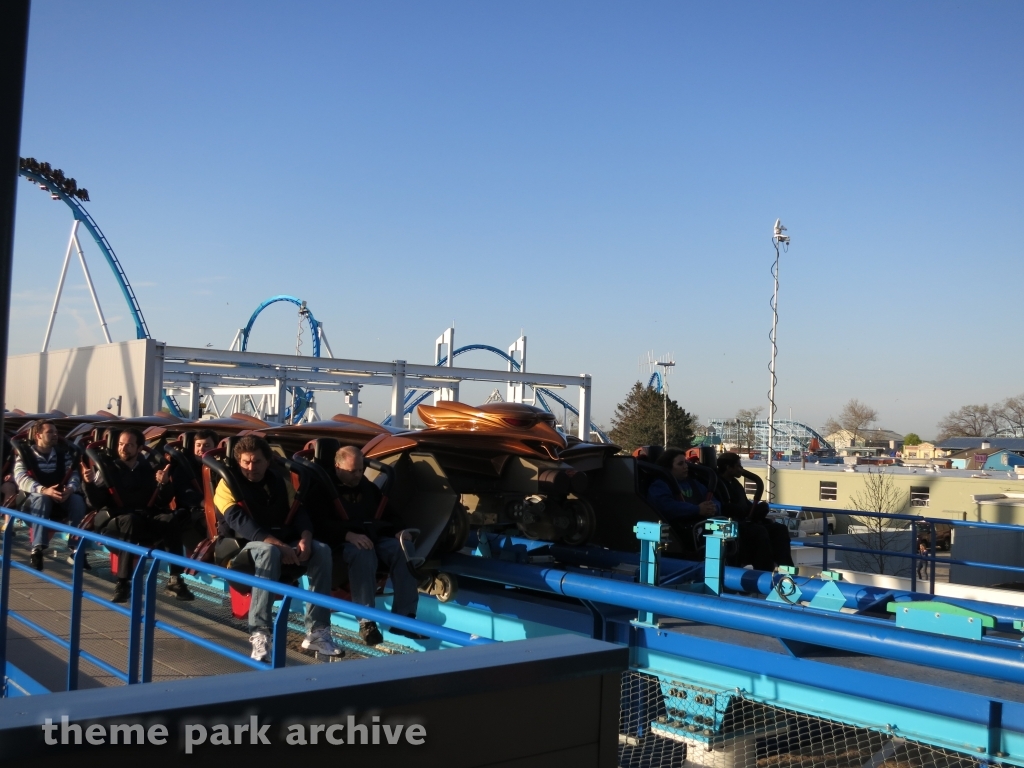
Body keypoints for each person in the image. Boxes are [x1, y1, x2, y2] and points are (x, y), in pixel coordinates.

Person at [213, 435, 340, 661]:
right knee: (267, 550)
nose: (251, 468)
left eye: (257, 462)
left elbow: (298, 512)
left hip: (279, 545)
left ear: (268, 461)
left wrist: (305, 538)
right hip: (240, 550)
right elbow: (242, 524)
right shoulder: (227, 483)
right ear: (238, 461)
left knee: (322, 549)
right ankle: (260, 632)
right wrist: (281, 546)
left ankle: (317, 631)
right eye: (246, 462)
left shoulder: (279, 482)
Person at [311, 445, 424, 646]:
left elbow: (388, 513)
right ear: (338, 467)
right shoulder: (323, 488)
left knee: (403, 549)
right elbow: (318, 524)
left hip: (372, 536)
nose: (357, 475)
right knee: (364, 551)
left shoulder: (366, 487)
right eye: (352, 471)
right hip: (340, 543)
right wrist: (347, 535)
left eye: (360, 470)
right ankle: (366, 621)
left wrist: (399, 530)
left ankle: (405, 617)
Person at [82, 428, 195, 603]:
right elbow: (95, 503)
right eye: (120, 444)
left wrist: (164, 484)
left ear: (139, 448)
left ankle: (175, 579)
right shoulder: (107, 470)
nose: (123, 448)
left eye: (129, 445)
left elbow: (161, 501)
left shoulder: (148, 470)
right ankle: (123, 582)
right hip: (114, 522)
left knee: (169, 519)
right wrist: (89, 484)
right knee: (130, 520)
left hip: (143, 518)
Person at [13, 419, 87, 571]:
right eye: (50, 432)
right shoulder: (25, 455)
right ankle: (37, 548)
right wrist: (43, 490)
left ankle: (76, 548)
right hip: (33, 499)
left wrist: (70, 489)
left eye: (56, 432)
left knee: (77, 500)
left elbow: (73, 474)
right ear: (38, 436)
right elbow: (20, 478)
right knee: (42, 498)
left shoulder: (62, 455)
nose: (55, 435)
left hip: (60, 497)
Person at [715, 452, 794, 571]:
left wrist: (759, 509)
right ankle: (765, 572)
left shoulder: (736, 484)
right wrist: (740, 511)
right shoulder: (718, 485)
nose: (741, 469)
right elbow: (724, 508)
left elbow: (746, 504)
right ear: (728, 467)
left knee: (780, 529)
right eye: (738, 466)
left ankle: (787, 570)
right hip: (732, 526)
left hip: (745, 522)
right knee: (759, 532)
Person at [646, 448, 721, 555]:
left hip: (700, 528)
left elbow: (715, 501)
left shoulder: (694, 483)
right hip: (678, 534)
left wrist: (714, 507)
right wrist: (697, 509)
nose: (686, 466)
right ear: (668, 467)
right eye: (680, 464)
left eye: (685, 463)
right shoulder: (659, 486)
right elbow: (666, 507)